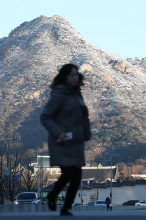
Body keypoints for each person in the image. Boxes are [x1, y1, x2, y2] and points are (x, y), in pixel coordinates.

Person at [40, 63, 88, 216]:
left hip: (76, 142)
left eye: (76, 75)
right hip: (61, 141)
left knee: (77, 176)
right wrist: (58, 133)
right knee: (68, 173)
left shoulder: (77, 94)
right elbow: (45, 117)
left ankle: (66, 208)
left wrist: (84, 109)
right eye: (71, 75)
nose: (75, 78)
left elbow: (81, 117)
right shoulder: (59, 94)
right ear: (64, 77)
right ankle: (53, 195)